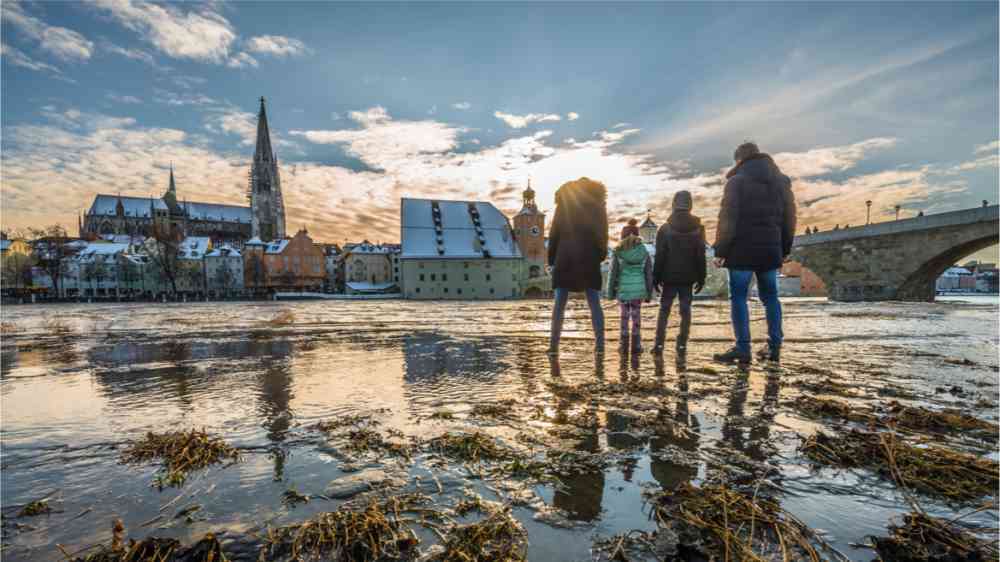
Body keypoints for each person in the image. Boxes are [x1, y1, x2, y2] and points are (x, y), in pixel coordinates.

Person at [712, 142, 797, 364]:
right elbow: (790, 218)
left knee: (739, 297)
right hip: (771, 250)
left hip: (741, 250)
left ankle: (743, 348)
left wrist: (720, 249)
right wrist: (785, 248)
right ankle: (774, 346)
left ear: (739, 160)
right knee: (770, 298)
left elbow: (727, 218)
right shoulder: (782, 183)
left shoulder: (736, 181)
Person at [547, 177, 609, 355]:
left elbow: (554, 233)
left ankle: (553, 347)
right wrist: (600, 255)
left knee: (559, 303)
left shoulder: (565, 203)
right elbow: (602, 233)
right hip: (589, 257)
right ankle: (600, 346)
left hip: (564, 257)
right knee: (594, 303)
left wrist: (552, 259)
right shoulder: (598, 205)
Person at [651, 190, 706, 355]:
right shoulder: (699, 228)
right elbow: (700, 255)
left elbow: (660, 256)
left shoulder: (665, 229)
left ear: (674, 204)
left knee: (664, 310)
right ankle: (682, 344)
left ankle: (659, 345)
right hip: (688, 277)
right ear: (690, 205)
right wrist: (701, 278)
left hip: (668, 277)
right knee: (685, 310)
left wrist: (656, 278)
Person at [606, 219, 653, 353]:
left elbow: (612, 274)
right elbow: (649, 275)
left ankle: (623, 345)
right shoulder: (644, 252)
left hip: (623, 291)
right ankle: (637, 345)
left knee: (624, 316)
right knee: (636, 316)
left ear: (623, 236)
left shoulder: (618, 252)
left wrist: (610, 293)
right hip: (638, 292)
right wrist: (649, 293)